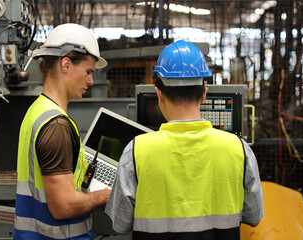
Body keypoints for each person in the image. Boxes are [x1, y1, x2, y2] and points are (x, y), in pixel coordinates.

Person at [105, 40, 264, 240]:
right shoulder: (239, 150)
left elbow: (120, 224)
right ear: (204, 94)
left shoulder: (135, 152)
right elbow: (254, 217)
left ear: (159, 94)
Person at [13, 23, 111, 239]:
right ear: (65, 64)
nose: (91, 81)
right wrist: (102, 196)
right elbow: (63, 207)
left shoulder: (37, 110)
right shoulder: (56, 126)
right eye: (87, 72)